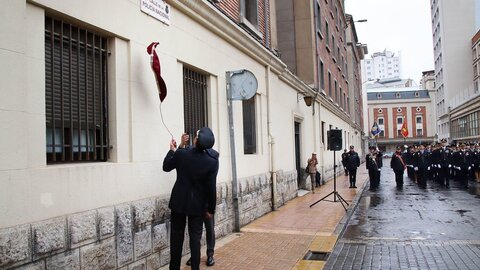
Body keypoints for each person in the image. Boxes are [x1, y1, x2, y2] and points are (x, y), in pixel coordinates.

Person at [163, 128, 219, 270]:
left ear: (196, 140)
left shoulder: (182, 154)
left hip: (179, 203)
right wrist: (211, 209)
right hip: (197, 205)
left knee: (176, 239)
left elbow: (166, 167)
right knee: (195, 239)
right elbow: (212, 189)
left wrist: (172, 150)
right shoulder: (212, 162)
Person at [178, 134, 216, 267]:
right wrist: (181, 145)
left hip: (207, 199)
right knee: (195, 234)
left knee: (209, 228)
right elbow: (184, 156)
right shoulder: (191, 151)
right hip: (195, 201)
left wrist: (211, 207)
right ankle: (195, 256)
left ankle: (210, 254)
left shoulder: (213, 155)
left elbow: (211, 183)